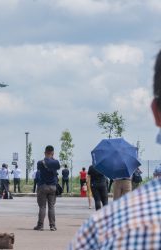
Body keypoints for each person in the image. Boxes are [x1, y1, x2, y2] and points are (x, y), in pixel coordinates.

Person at [68, 49, 161, 250]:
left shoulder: (101, 230)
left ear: (155, 111)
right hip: (120, 182)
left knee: (120, 206)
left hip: (123, 186)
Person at [34, 145, 60, 231]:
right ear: (53, 153)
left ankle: (40, 226)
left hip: (43, 186)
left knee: (42, 207)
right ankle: (52, 226)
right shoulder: (56, 162)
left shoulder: (40, 163)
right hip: (53, 187)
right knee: (51, 207)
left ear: (45, 152)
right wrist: (52, 158)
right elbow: (56, 167)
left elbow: (39, 170)